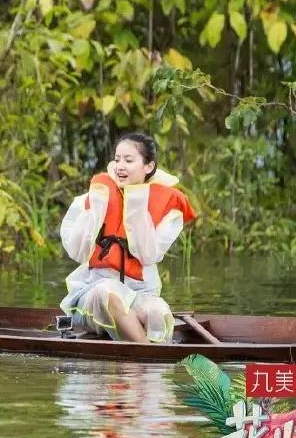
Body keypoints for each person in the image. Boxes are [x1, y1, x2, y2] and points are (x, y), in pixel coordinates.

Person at [59, 132, 196, 343]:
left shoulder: (169, 209)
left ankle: (149, 365)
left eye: (128, 160)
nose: (120, 166)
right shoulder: (97, 194)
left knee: (156, 312)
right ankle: (150, 357)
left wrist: (137, 202)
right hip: (94, 292)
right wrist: (96, 208)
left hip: (141, 293)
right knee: (109, 294)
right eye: (117, 159)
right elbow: (77, 251)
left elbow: (148, 255)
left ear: (148, 166)